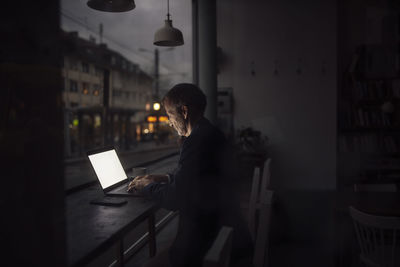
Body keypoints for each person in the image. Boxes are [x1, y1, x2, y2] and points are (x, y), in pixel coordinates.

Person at [128, 83, 253, 267]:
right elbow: (196, 176)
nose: (169, 122)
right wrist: (162, 178)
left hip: (202, 249)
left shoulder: (195, 142)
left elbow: (175, 199)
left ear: (184, 111)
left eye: (170, 115)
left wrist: (145, 186)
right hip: (223, 234)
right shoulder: (211, 133)